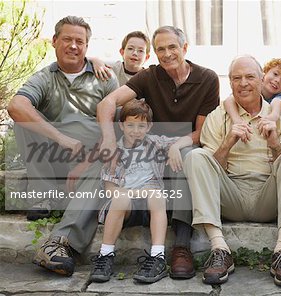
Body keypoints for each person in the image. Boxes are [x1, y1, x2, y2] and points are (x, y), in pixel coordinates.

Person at [96, 25, 220, 279]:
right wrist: (109, 138)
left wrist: (177, 144)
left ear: (185, 48)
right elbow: (107, 102)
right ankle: (105, 250)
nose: (166, 54)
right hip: (151, 151)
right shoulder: (149, 76)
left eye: (172, 47)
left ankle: (181, 246)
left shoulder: (207, 78)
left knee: (188, 156)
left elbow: (202, 132)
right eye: (160, 49)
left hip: (182, 149)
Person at [184, 55, 281, 288]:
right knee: (196, 156)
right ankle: (220, 249)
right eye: (236, 78)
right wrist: (228, 141)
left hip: (268, 196)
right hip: (230, 194)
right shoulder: (218, 117)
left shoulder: (279, 115)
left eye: (250, 77)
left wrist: (274, 144)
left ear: (261, 79)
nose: (243, 83)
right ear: (230, 84)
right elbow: (211, 169)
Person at [7, 16, 119, 275]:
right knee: (23, 120)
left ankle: (59, 244)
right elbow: (16, 106)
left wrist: (87, 160)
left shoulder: (104, 78)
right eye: (67, 39)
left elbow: (115, 126)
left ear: (87, 47)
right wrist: (62, 139)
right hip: (55, 156)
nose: (73, 46)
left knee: (106, 159)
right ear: (55, 41)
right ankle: (44, 194)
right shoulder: (45, 77)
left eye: (79, 41)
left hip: (92, 160)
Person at [89, 99, 192, 284]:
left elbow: (189, 138)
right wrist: (133, 193)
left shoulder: (155, 143)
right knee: (120, 197)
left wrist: (175, 147)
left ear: (149, 126)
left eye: (141, 126)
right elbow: (109, 189)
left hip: (150, 208)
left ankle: (158, 256)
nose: (135, 131)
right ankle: (105, 254)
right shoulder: (114, 151)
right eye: (130, 125)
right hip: (124, 208)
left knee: (156, 194)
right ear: (121, 125)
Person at [223, 58, 281, 127]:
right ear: (264, 73)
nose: (277, 80)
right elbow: (229, 100)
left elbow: (277, 104)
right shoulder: (253, 86)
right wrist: (236, 120)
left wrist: (271, 118)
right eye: (275, 74)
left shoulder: (280, 97)